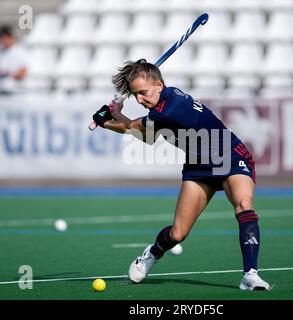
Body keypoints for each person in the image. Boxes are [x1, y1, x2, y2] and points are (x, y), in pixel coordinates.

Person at [92, 59, 270, 290]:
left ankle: (250, 274)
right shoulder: (165, 100)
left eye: (143, 93)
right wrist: (116, 115)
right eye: (135, 94)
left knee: (244, 205)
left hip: (230, 157)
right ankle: (152, 253)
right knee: (177, 234)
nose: (139, 99)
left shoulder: (171, 108)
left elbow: (131, 128)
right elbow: (147, 136)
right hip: (198, 166)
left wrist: (104, 120)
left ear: (158, 84)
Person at [0, 25, 28, 95]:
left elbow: (23, 72)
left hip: (17, 92)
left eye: (5, 38)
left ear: (11, 38)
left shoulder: (20, 52)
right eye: (1, 38)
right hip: (1, 90)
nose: (3, 41)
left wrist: (9, 74)